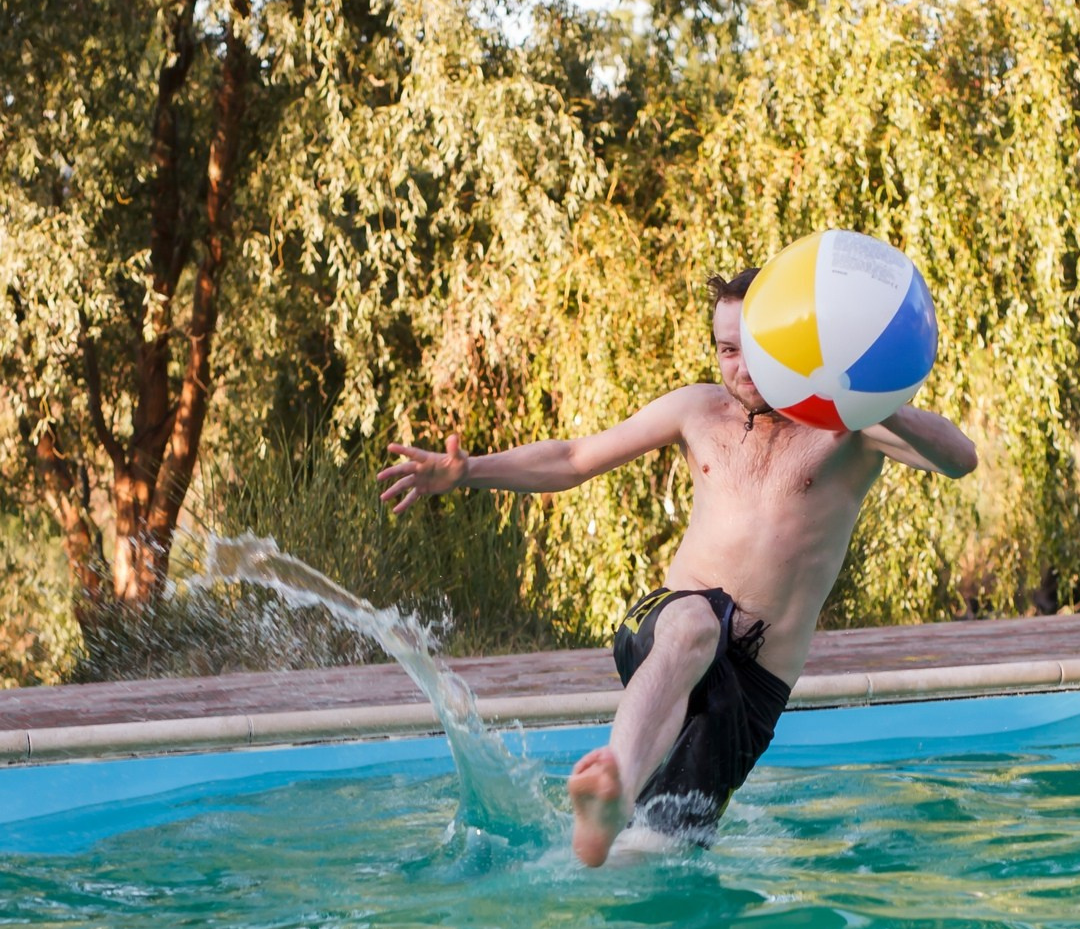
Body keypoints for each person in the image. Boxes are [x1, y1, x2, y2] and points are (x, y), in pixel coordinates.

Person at [377, 269, 979, 865]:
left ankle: (605, 856)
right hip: (668, 625)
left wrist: (872, 399)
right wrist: (469, 471)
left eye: (757, 351)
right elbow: (573, 458)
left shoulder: (848, 427)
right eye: (726, 350)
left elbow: (959, 458)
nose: (740, 369)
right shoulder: (699, 409)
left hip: (753, 688)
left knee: (655, 855)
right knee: (695, 625)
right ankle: (613, 785)